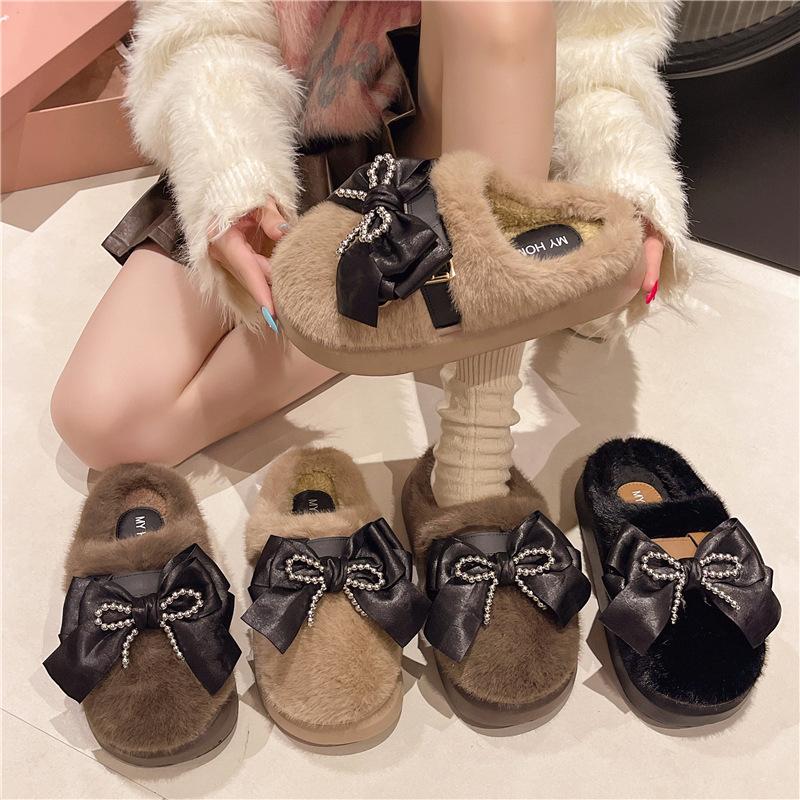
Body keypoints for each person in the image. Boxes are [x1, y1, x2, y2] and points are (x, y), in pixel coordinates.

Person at [51, 1, 688, 509]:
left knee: (501, 10)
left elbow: (597, 50)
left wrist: (621, 174)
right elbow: (204, 29)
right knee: (104, 421)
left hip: (465, 144)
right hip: (291, 145)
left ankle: (475, 465)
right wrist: (232, 170)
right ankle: (410, 304)